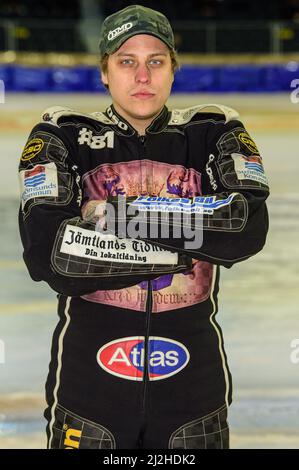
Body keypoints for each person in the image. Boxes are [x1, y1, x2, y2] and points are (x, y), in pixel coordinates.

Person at [18, 4, 269, 449]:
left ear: (173, 69)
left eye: (155, 61)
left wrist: (110, 216)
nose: (142, 75)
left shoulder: (213, 130)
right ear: (104, 73)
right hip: (89, 391)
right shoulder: (62, 135)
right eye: (126, 62)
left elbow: (245, 228)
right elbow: (52, 255)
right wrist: (189, 246)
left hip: (195, 392)